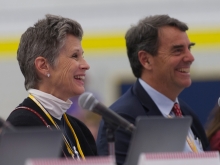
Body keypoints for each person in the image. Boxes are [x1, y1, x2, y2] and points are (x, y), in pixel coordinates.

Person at [96, 14, 209, 165]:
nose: (190, 57)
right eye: (177, 50)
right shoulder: (121, 119)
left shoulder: (186, 112)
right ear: (146, 60)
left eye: (189, 48)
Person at [7, 14, 97, 159]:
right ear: (43, 66)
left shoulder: (79, 129)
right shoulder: (21, 127)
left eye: (82, 56)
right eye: (75, 56)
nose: (86, 65)